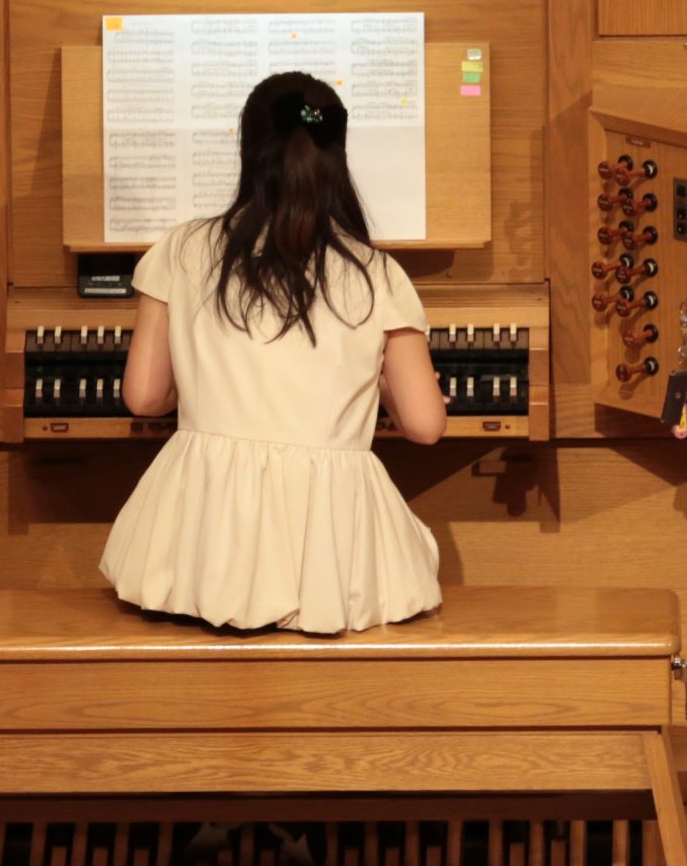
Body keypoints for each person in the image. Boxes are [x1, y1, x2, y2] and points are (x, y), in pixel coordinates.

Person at [98, 71, 447, 634]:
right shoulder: (377, 274)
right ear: (337, 158)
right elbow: (426, 426)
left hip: (202, 548)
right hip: (331, 551)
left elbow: (143, 398)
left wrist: (206, 377)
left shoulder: (181, 249)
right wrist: (376, 379)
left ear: (245, 149)